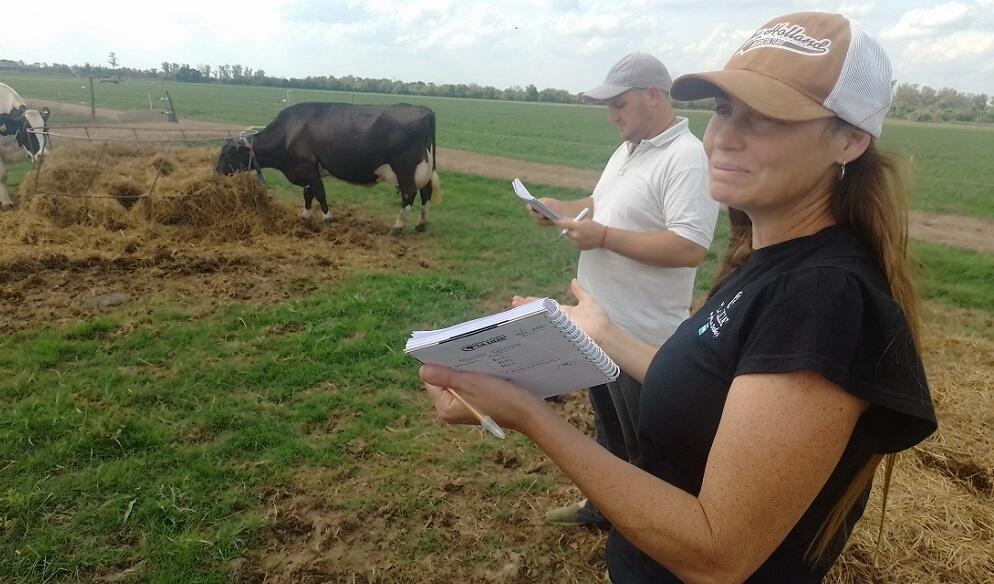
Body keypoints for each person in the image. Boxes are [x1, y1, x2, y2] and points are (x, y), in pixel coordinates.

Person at [423, 11, 938, 582]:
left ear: (851, 138)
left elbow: (716, 553)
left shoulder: (822, 297)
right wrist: (604, 333)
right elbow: (715, 389)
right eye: (723, 109)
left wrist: (529, 415)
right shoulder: (769, 264)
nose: (723, 137)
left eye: (766, 118)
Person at [525, 52, 719, 526]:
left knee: (647, 443)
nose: (611, 114)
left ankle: (653, 532)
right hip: (597, 323)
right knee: (608, 430)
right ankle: (605, 509)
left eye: (619, 103)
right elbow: (600, 203)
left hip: (642, 336)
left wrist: (605, 238)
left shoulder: (687, 157)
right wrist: (561, 206)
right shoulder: (628, 148)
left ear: (654, 97)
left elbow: (690, 246)